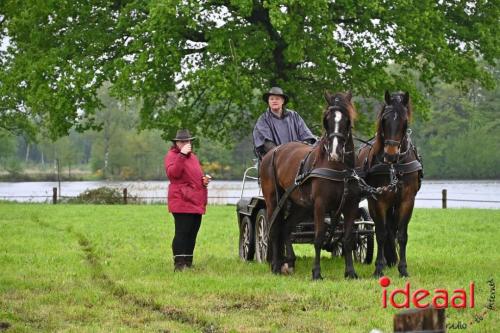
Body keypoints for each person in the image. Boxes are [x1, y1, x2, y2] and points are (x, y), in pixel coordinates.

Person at [164, 129, 211, 271]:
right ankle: (179, 265)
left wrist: (203, 180)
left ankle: (188, 263)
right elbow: (173, 174)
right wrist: (182, 155)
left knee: (192, 233)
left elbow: (194, 176)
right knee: (182, 233)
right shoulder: (172, 156)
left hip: (195, 201)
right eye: (182, 141)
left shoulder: (193, 157)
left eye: (187, 141)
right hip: (181, 200)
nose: (185, 144)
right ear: (176, 143)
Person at [253, 86, 316, 159]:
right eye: (271, 99)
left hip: (296, 158)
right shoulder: (263, 120)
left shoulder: (294, 116)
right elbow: (266, 143)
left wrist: (298, 151)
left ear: (282, 101)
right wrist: (282, 155)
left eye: (277, 99)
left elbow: (307, 136)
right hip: (274, 160)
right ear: (268, 101)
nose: (274, 101)